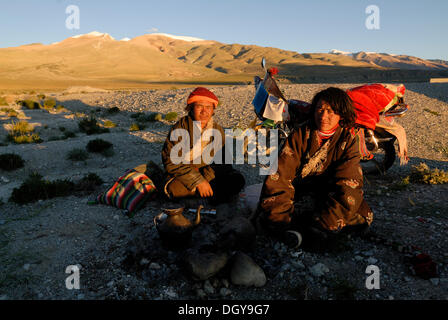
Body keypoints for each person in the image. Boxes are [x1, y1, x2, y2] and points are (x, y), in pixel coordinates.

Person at [252, 87, 374, 250]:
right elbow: (279, 176)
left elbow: (349, 182)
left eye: (331, 111)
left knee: (363, 216)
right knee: (273, 217)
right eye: (320, 109)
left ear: (341, 114)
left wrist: (329, 220)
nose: (323, 116)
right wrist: (279, 214)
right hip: (301, 191)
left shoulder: (348, 141)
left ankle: (303, 232)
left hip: (331, 193)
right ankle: (307, 232)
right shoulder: (300, 135)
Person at [161, 87, 245, 205]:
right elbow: (171, 162)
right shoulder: (180, 128)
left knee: (237, 180)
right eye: (199, 106)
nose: (204, 111)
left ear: (213, 110)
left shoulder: (217, 129)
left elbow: (223, 162)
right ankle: (210, 196)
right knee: (175, 189)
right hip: (186, 174)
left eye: (208, 107)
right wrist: (197, 181)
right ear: (191, 108)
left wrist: (204, 179)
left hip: (208, 174)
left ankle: (204, 194)